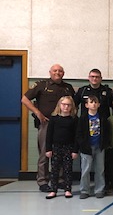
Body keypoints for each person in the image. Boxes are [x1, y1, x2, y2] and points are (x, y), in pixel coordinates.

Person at [21, 63, 75, 191]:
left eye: (60, 71)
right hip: (46, 123)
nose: (57, 73)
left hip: (62, 125)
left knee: (61, 152)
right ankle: (43, 181)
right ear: (50, 72)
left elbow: (73, 104)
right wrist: (37, 112)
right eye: (55, 70)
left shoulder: (68, 87)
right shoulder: (42, 85)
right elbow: (24, 99)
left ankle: (60, 180)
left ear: (63, 73)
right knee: (45, 153)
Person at [76, 95, 110, 199]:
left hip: (99, 147)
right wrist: (83, 145)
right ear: (86, 105)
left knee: (100, 170)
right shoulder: (83, 118)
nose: (94, 104)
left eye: (95, 102)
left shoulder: (102, 118)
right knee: (85, 170)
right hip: (87, 148)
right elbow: (79, 134)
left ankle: (99, 189)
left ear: (99, 104)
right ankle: (84, 190)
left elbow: (106, 132)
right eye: (91, 102)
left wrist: (104, 144)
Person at [44, 96, 78, 199]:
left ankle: (68, 189)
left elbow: (76, 136)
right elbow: (49, 135)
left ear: (72, 106)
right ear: (59, 105)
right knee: (54, 169)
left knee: (67, 169)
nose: (66, 107)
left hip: (69, 147)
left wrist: (75, 150)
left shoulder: (74, 119)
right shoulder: (54, 118)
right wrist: (48, 149)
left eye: (68, 105)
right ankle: (53, 189)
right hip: (56, 147)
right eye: (64, 104)